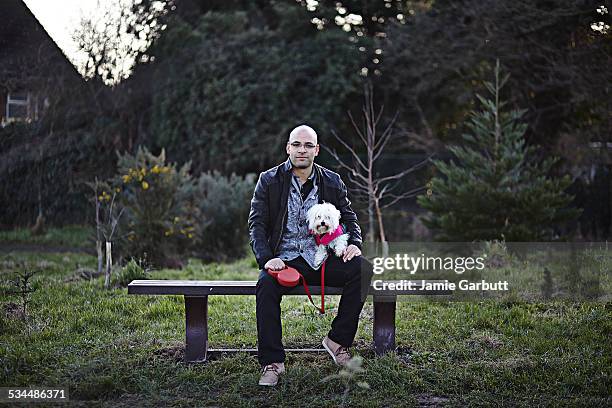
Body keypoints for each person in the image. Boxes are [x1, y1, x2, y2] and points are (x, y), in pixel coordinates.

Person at [248, 124, 374, 386]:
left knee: (362, 269)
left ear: (316, 150)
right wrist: (266, 258)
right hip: (285, 259)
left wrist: (355, 243)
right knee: (265, 284)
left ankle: (337, 341)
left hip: (325, 255)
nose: (301, 150)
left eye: (308, 145)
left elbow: (349, 216)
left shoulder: (332, 181)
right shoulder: (269, 180)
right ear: (288, 148)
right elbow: (256, 224)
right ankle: (272, 362)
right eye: (296, 144)